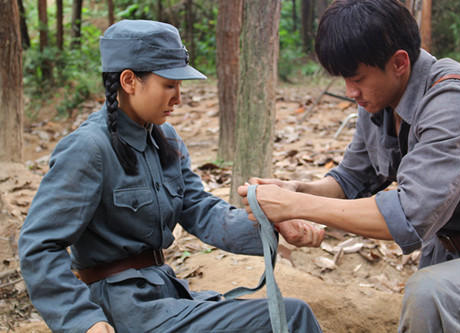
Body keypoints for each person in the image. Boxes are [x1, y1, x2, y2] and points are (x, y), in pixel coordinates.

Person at [18, 20, 324, 333]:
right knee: (290, 316)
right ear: (129, 81)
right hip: (122, 309)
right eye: (169, 84)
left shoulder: (166, 138)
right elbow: (39, 247)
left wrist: (272, 226)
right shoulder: (88, 148)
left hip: (164, 294)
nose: (179, 97)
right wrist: (83, 321)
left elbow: (199, 209)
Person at [238, 0, 460, 332]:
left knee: (434, 294)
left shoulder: (457, 101)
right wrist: (295, 190)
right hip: (450, 251)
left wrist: (296, 205)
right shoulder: (379, 97)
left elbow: (407, 217)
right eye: (344, 79)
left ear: (399, 62)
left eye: (358, 78)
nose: (351, 93)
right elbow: (351, 179)